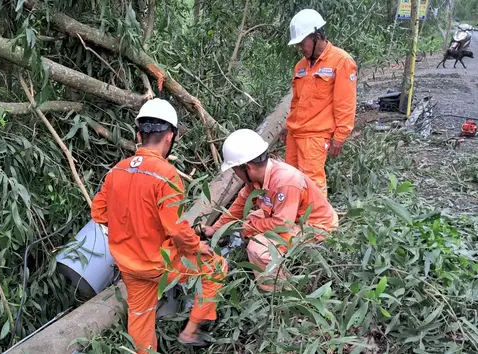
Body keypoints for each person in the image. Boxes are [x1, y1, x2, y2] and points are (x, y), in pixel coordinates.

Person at [91, 98, 228, 353]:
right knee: (216, 268)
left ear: (138, 134)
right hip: (159, 264)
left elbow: (98, 212)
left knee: (140, 315)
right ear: (170, 136)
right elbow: (176, 229)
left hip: (128, 265)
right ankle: (190, 332)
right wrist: (198, 247)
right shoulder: (166, 174)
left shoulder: (116, 171)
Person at [201, 129, 338, 291]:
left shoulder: (284, 181)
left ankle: (280, 291)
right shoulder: (258, 177)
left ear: (246, 167)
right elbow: (240, 205)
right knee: (251, 219)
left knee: (257, 248)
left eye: (235, 169)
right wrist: (215, 229)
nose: (235, 174)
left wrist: (251, 226)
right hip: (290, 216)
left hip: (314, 225)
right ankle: (268, 266)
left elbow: (282, 224)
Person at [279, 9, 358, 196]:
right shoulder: (301, 66)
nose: (300, 48)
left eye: (302, 43)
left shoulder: (341, 61)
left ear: (316, 36)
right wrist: (287, 126)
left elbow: (345, 103)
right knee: (291, 179)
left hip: (315, 135)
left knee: (312, 183)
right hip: (295, 133)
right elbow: (296, 101)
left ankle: (318, 223)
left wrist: (340, 136)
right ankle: (295, 217)